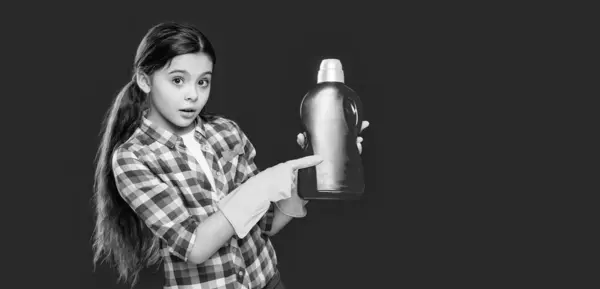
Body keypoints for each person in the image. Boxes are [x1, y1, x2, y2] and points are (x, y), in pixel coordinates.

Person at [92, 21, 370, 289]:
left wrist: (316, 171)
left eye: (203, 82)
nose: (193, 95)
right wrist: (261, 187)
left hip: (269, 281)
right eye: (178, 80)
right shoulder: (133, 158)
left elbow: (266, 222)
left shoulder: (225, 132)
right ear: (144, 80)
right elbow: (194, 246)